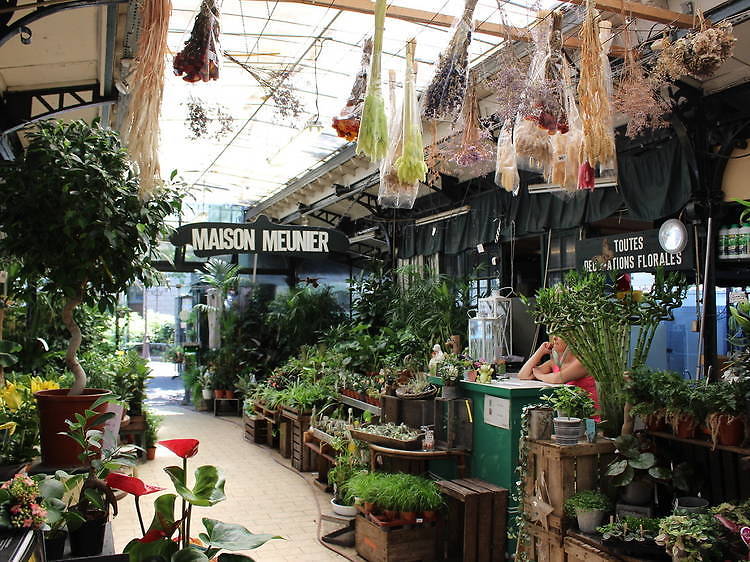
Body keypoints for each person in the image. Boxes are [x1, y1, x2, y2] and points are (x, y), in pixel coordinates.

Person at [519, 336, 599, 411]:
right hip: (567, 415)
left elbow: (558, 378)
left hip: (588, 417)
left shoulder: (583, 361)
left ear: (573, 339)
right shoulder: (554, 363)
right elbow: (523, 375)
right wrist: (540, 351)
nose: (554, 338)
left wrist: (540, 375)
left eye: (559, 334)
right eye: (554, 334)